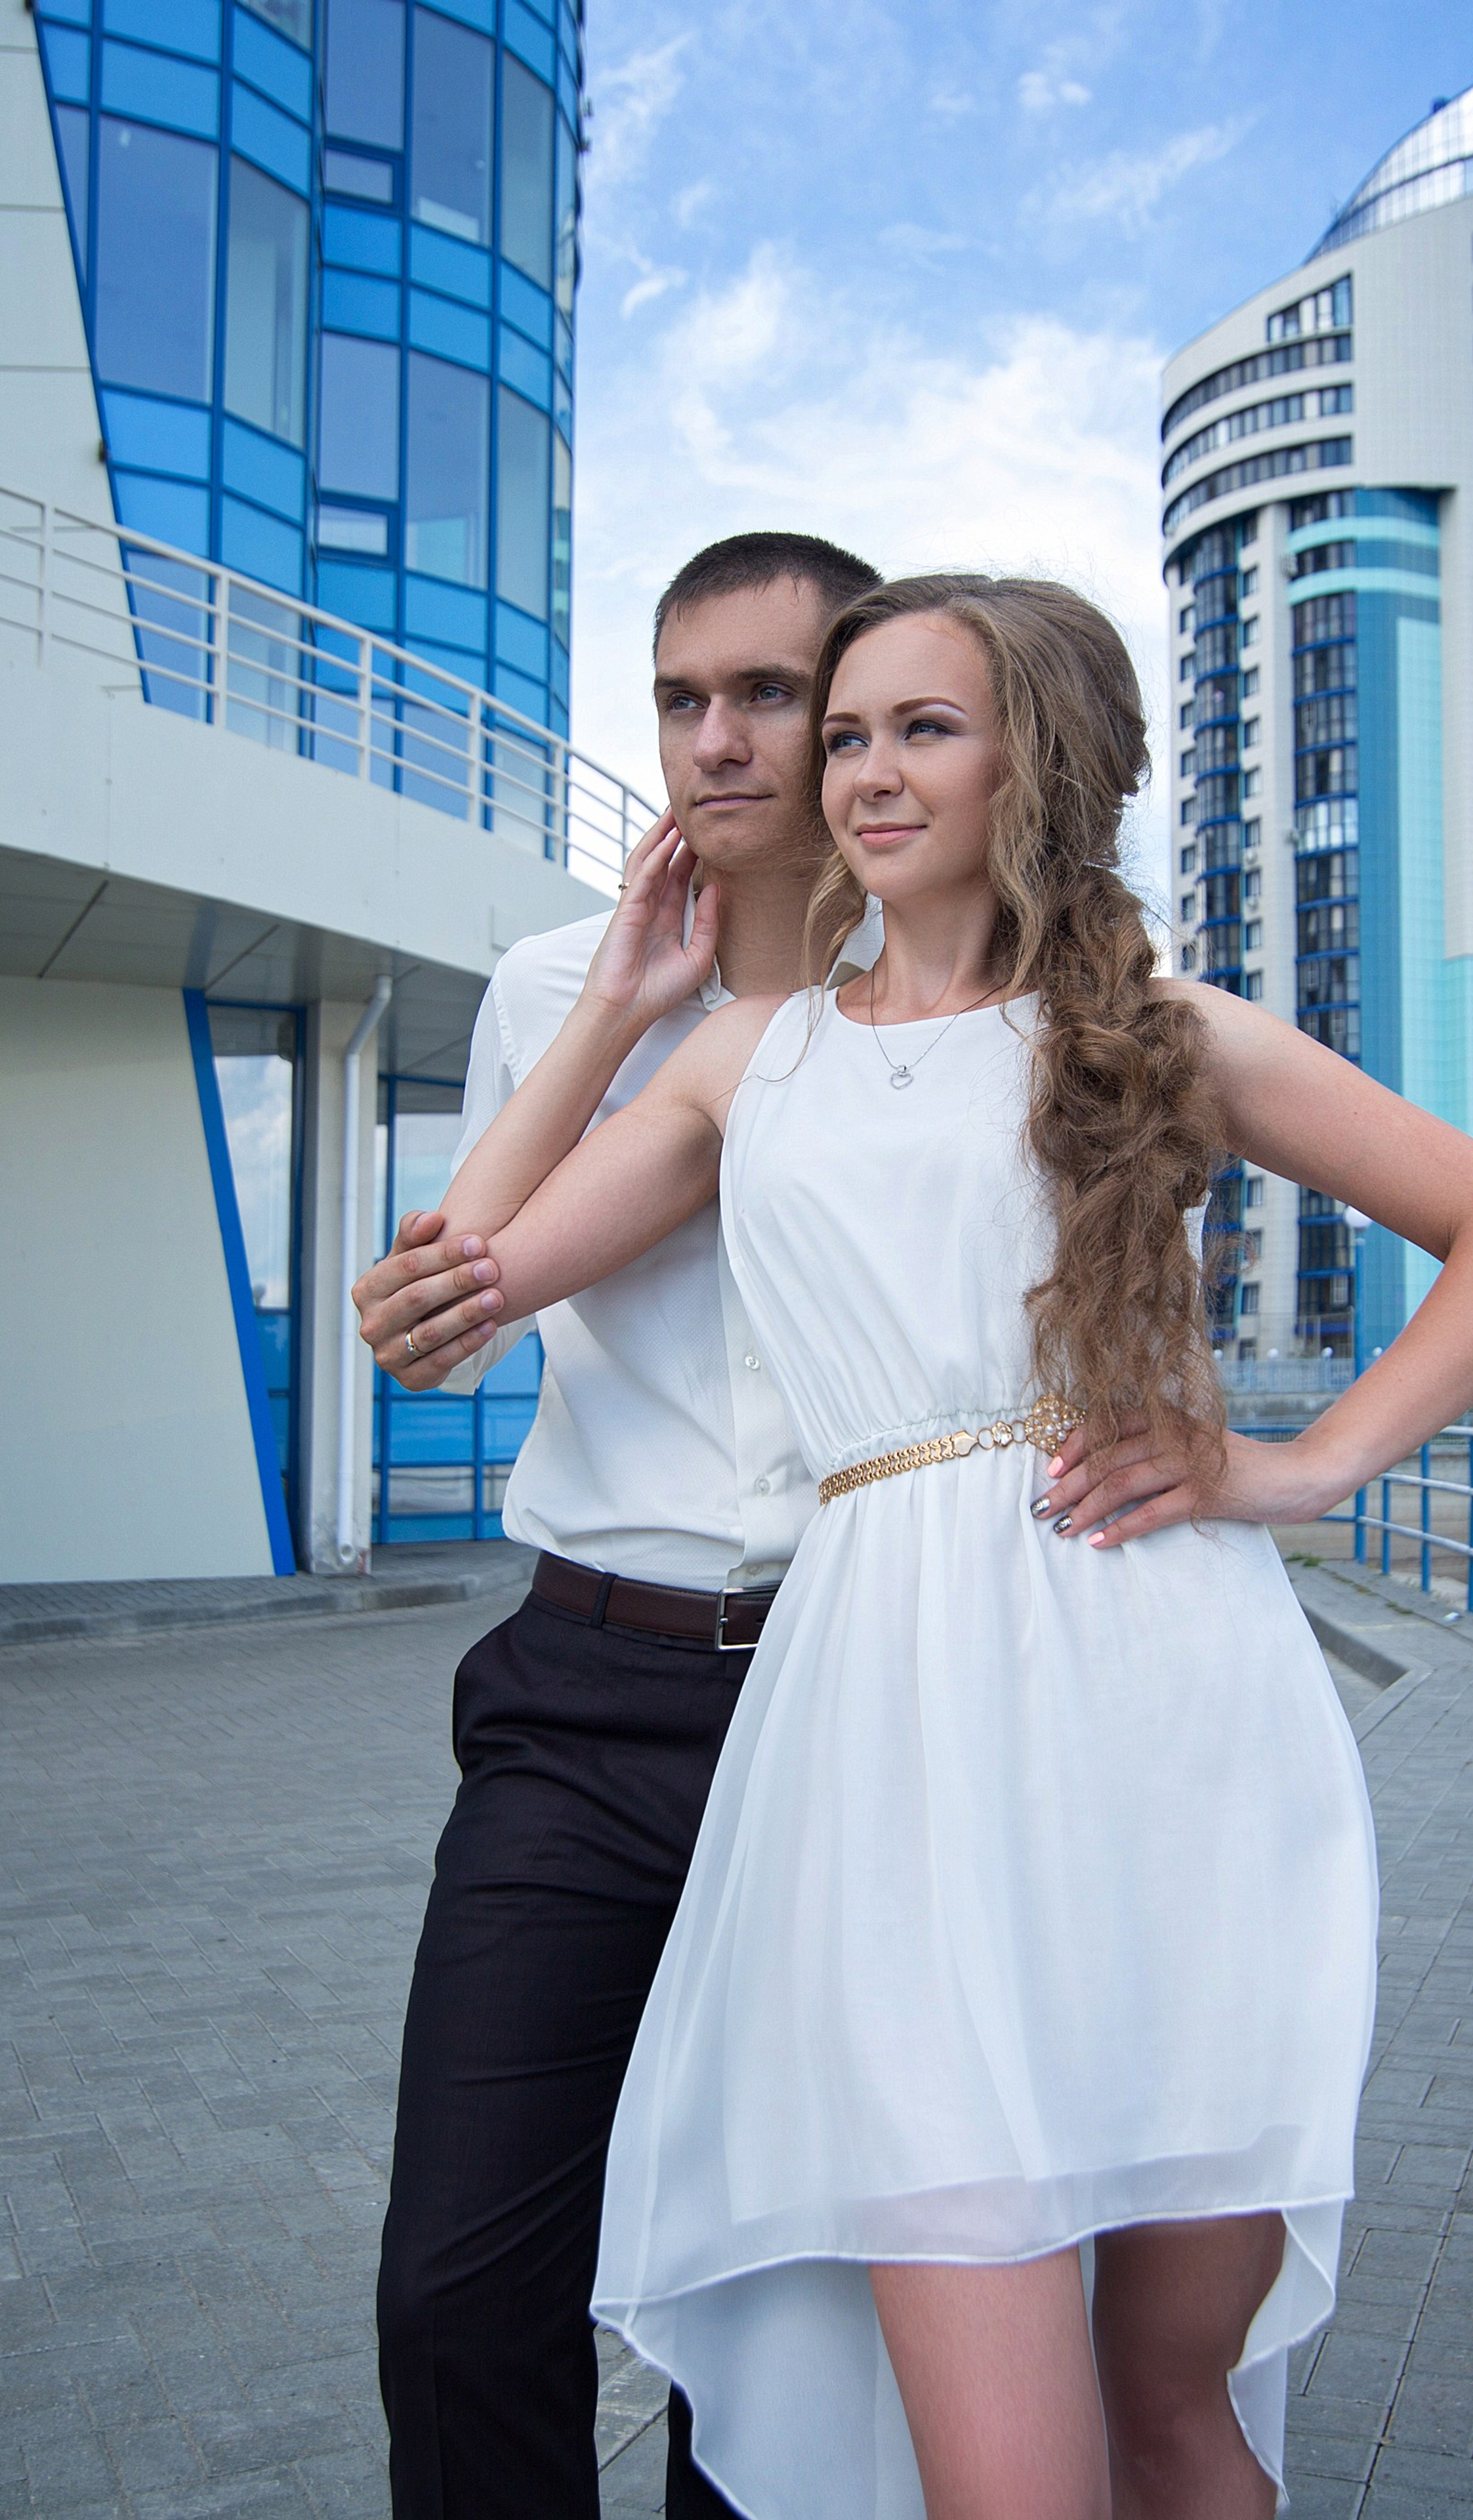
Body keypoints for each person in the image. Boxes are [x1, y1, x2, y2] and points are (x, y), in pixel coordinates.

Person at [429, 574, 1473, 2519]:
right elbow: (453, 1283)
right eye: (853, 731)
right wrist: (623, 1011)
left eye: (925, 727)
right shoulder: (746, 1062)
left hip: (1174, 1728)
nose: (866, 772)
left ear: (1029, 761)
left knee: (1174, 2419)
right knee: (1004, 2471)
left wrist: (1305, 1472)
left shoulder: (1158, 1032)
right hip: (884, 1743)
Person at [356, 532, 883, 2520]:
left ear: (852, 722)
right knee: (456, 2284)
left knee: (774, 2303)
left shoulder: (935, 999)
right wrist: (617, 1005)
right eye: (681, 697)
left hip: (850, 1693)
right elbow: (434, 1319)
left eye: (770, 694)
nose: (719, 740)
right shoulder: (541, 993)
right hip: (585, 1689)